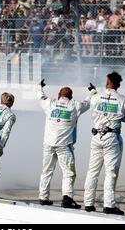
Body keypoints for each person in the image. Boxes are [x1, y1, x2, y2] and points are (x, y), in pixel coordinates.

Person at [37, 79, 92, 208]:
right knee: (69, 173)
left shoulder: (50, 103)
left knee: (46, 171)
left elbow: (40, 95)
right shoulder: (75, 106)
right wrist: (91, 92)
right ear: (71, 97)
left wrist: (40, 86)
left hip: (48, 145)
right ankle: (67, 199)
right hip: (64, 147)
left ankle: (43, 197)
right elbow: (88, 103)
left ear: (58, 95)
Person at [83, 71, 125, 215]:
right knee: (111, 173)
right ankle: (109, 205)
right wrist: (115, 115)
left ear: (107, 82)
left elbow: (93, 114)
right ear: (118, 84)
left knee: (92, 171)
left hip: (96, 136)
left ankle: (88, 203)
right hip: (112, 137)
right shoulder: (124, 100)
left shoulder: (96, 98)